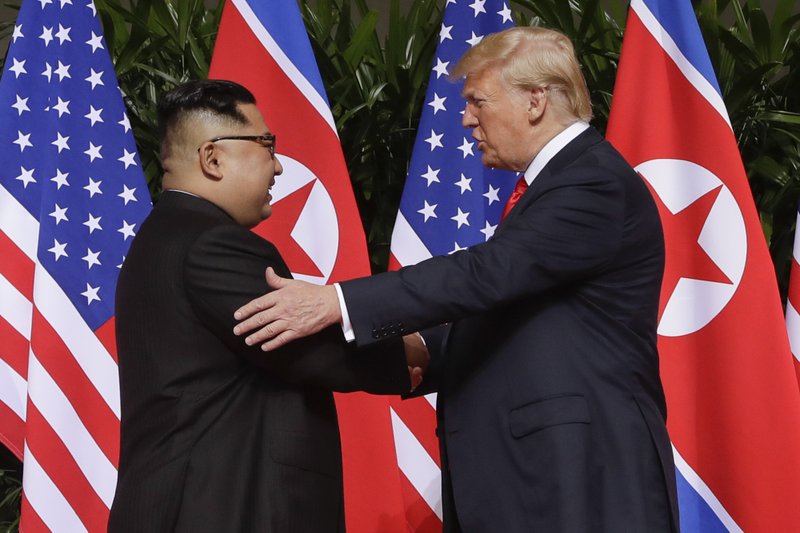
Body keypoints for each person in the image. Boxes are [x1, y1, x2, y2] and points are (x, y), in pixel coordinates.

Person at [233, 27, 679, 532]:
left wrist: (336, 302)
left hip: (579, 471)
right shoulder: (558, 184)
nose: (467, 119)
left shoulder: (593, 181)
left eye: (478, 101)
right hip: (536, 475)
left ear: (535, 100)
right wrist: (423, 347)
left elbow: (488, 273)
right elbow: (517, 307)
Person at [108, 80, 418, 532]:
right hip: (220, 511)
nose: (277, 166)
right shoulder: (210, 243)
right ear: (212, 158)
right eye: (266, 145)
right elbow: (310, 349)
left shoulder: (167, 236)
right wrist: (425, 353)